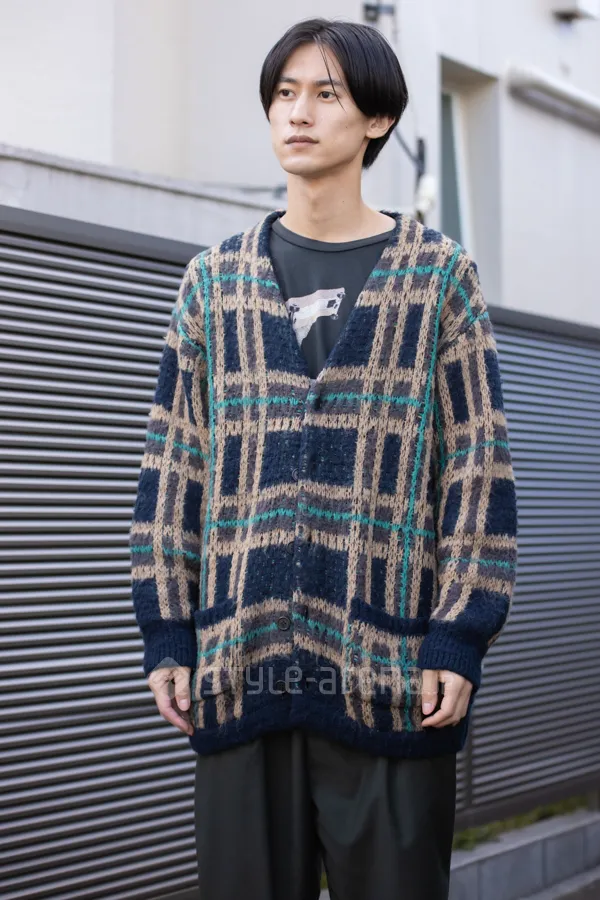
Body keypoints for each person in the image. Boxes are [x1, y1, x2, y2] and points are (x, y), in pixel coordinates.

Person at [128, 17, 518, 900]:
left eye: (325, 94)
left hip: (391, 675)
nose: (297, 113)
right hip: (238, 668)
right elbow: (173, 467)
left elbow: (478, 469)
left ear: (378, 119)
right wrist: (167, 628)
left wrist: (459, 635)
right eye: (283, 93)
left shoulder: (438, 279)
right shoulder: (213, 283)